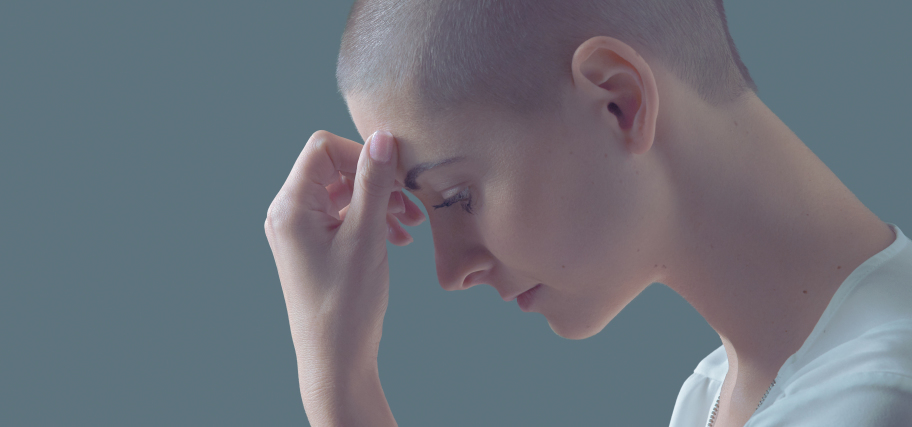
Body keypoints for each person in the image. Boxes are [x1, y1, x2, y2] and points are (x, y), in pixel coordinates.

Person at [263, 0, 912, 426]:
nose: (451, 268)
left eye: (457, 197)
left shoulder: (875, 401)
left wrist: (339, 380)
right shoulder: (718, 391)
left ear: (618, 102)